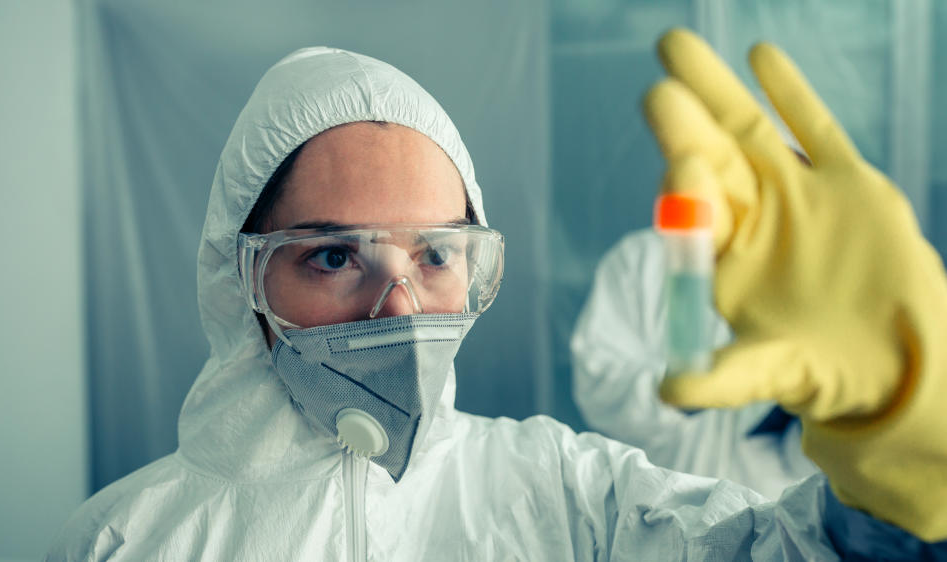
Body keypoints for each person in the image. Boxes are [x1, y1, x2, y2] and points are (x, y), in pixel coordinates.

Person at [47, 31, 947, 560]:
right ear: (239, 281)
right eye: (330, 258)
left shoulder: (558, 496)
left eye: (435, 255)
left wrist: (902, 450)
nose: (399, 310)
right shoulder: (122, 541)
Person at [571, 228, 819, 500]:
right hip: (653, 510)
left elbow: (816, 464)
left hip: (771, 515)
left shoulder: (815, 269)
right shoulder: (644, 261)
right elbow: (598, 389)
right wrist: (686, 389)